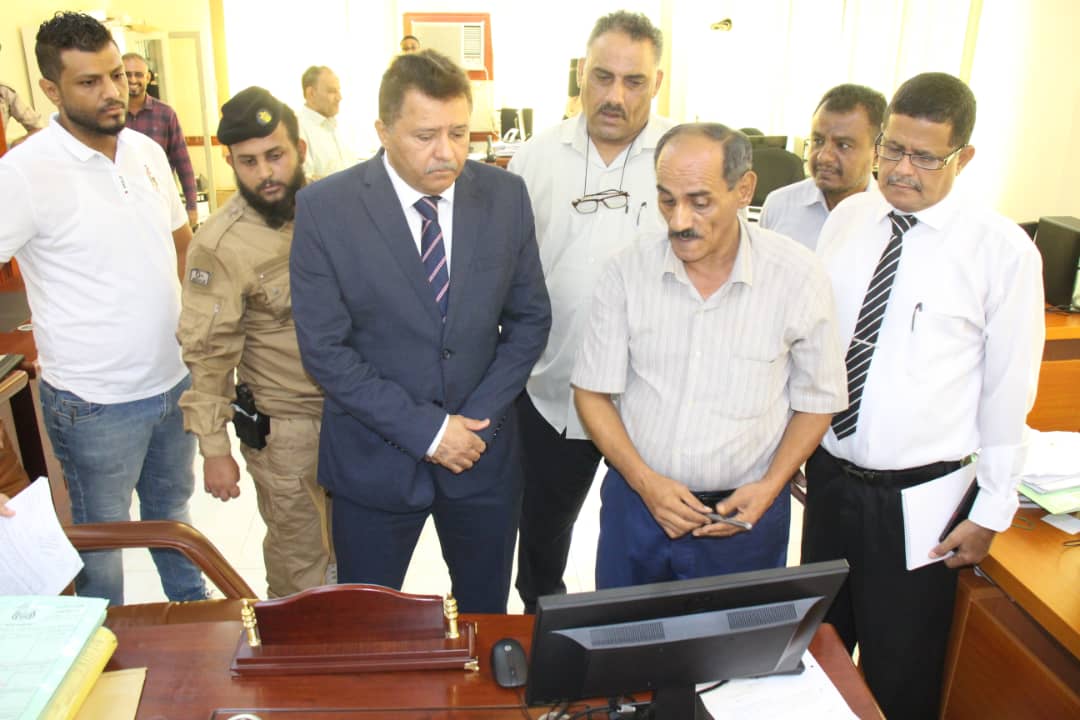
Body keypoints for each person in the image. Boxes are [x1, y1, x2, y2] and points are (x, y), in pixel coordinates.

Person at [802, 72, 1045, 720]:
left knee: (900, 676)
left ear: (964, 157)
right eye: (892, 148)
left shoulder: (1002, 253)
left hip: (920, 506)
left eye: (925, 157)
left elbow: (1008, 392)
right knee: (813, 658)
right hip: (830, 483)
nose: (901, 169)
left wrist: (992, 509)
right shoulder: (849, 219)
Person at [290, 49, 551, 613]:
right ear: (383, 130)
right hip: (373, 462)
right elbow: (326, 352)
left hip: (481, 457)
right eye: (425, 136)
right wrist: (431, 432)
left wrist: (472, 424)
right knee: (367, 626)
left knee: (483, 618)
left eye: (459, 133)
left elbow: (530, 319)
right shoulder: (325, 210)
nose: (447, 152)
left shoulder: (504, 197)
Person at [572, 123, 847, 589]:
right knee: (625, 633)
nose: (679, 220)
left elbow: (819, 400)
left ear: (744, 190)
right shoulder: (626, 271)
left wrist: (771, 485)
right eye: (667, 200)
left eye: (700, 202)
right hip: (638, 508)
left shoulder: (797, 277)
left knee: (736, 636)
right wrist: (646, 483)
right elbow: (592, 393)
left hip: (745, 517)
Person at [0, 12, 208, 606]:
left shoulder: (146, 150)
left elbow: (182, 248)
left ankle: (195, 624)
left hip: (172, 384)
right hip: (93, 404)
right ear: (50, 89)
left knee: (174, 521)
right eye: (89, 82)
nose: (113, 90)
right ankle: (106, 649)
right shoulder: (22, 174)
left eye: (116, 74)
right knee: (102, 547)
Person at [506, 10, 673, 613]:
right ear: (582, 73)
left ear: (657, 83)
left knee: (645, 544)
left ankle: (638, 645)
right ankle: (542, 631)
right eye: (603, 76)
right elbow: (508, 276)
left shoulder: (681, 156)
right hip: (553, 394)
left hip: (653, 401)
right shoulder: (535, 158)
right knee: (541, 539)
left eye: (634, 81)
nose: (615, 96)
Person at [178, 87, 331, 598]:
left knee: (355, 552)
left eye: (275, 155)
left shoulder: (333, 211)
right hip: (288, 431)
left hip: (354, 419)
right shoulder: (219, 244)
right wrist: (214, 449)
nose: (265, 172)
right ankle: (297, 646)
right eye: (248, 161)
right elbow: (208, 354)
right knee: (301, 562)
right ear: (230, 163)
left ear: (300, 150)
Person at [759, 84, 885, 250]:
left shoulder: (891, 220)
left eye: (843, 145)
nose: (824, 156)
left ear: (877, 154)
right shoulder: (779, 205)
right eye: (818, 141)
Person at [123, 52, 199, 228]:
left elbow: (183, 162)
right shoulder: (109, 116)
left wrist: (192, 206)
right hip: (123, 206)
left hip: (160, 204)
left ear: (148, 77)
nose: (132, 80)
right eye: (127, 74)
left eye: (138, 74)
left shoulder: (165, 114)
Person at [297, 65, 352, 180]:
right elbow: (305, 180)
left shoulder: (337, 126)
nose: (339, 97)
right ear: (311, 93)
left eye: (339, 90)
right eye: (332, 91)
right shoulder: (298, 129)